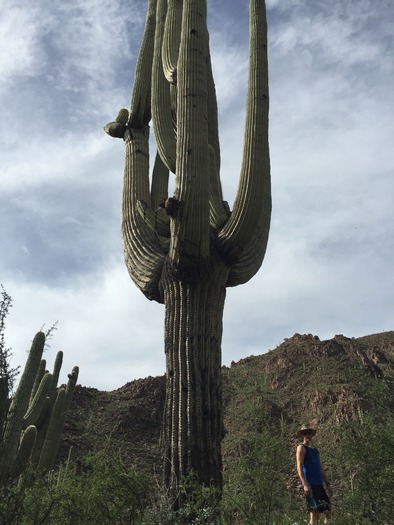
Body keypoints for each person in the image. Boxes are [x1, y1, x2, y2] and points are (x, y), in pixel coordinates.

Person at [296, 424, 333, 524]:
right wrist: (305, 485)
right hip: (310, 484)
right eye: (305, 433)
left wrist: (328, 484)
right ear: (303, 435)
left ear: (312, 435)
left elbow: (320, 468)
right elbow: (299, 466)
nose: (307, 435)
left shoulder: (315, 450)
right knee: (314, 512)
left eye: (309, 433)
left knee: (328, 511)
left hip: (319, 484)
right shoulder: (301, 448)